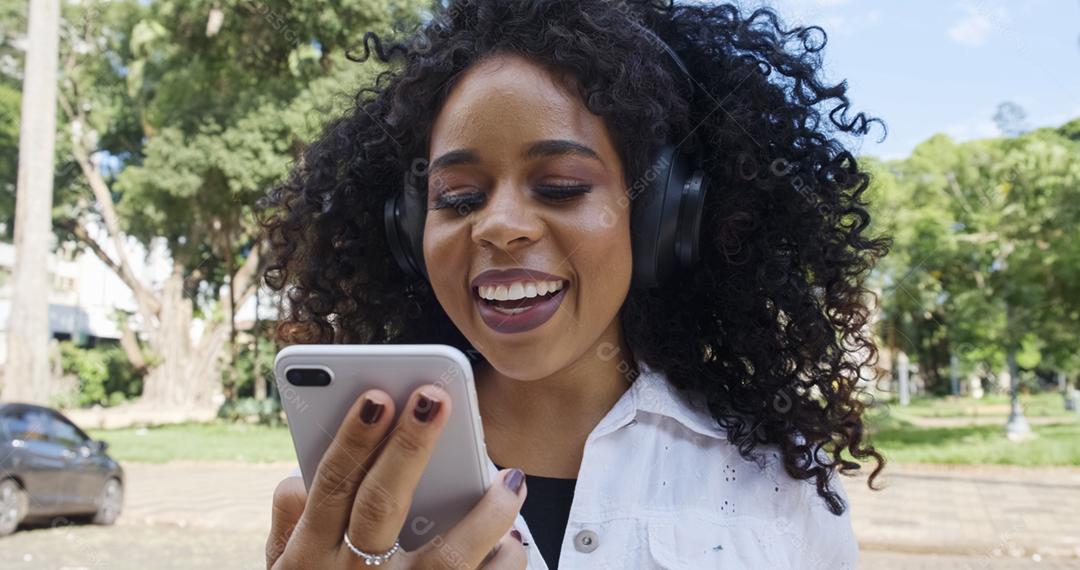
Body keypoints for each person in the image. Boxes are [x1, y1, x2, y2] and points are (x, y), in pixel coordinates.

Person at [259, 1, 891, 568]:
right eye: (457, 198)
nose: (499, 227)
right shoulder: (349, 497)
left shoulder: (781, 487)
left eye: (561, 186)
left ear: (662, 217)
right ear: (408, 230)